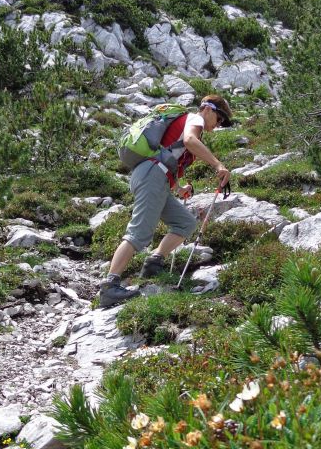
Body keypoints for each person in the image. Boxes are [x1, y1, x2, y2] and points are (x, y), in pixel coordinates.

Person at [99, 94, 233, 308]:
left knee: (185, 223)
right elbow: (190, 142)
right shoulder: (195, 119)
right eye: (219, 119)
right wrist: (218, 165)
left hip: (155, 176)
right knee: (139, 233)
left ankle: (154, 262)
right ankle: (109, 286)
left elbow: (168, 154)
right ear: (208, 110)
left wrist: (179, 188)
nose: (218, 125)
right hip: (152, 175)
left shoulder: (185, 123)